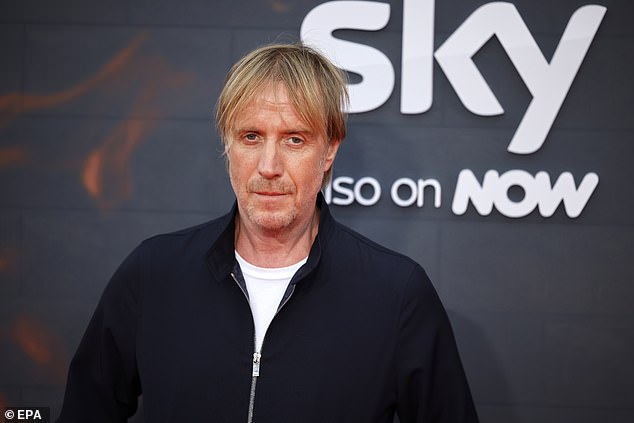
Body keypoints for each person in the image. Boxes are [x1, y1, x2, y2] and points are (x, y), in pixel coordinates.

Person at [57, 43, 479, 423]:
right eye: (251, 137)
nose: (269, 166)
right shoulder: (153, 274)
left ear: (330, 149)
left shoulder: (397, 292)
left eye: (294, 139)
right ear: (228, 144)